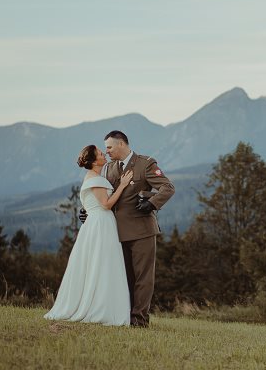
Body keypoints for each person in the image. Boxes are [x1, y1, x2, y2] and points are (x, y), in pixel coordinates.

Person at [90, 130, 175, 328]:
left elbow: (168, 187)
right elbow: (105, 197)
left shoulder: (145, 164)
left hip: (142, 231)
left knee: (143, 279)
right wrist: (90, 211)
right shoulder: (109, 168)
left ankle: (139, 320)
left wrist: (152, 203)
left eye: (109, 147)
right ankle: (124, 318)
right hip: (116, 233)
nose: (107, 151)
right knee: (124, 278)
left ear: (121, 144)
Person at [45, 145, 133, 326]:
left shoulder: (95, 177)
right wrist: (123, 186)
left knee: (100, 264)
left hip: (99, 223)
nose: (104, 154)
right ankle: (100, 308)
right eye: (100, 153)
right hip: (101, 224)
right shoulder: (95, 179)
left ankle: (103, 305)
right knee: (102, 264)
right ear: (94, 161)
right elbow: (106, 204)